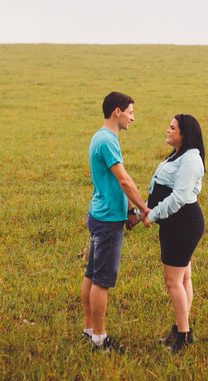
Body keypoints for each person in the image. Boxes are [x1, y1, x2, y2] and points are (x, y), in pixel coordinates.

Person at [80, 91, 151, 352]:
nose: (133, 118)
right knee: (102, 280)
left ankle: (89, 330)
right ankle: (99, 338)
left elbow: (114, 182)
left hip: (101, 213)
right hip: (108, 220)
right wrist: (144, 209)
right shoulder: (108, 141)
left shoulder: (102, 137)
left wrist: (130, 210)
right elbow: (124, 180)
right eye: (130, 112)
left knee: (91, 273)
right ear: (117, 112)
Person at [142, 113, 206, 352]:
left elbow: (178, 198)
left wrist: (151, 214)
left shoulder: (190, 159)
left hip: (182, 223)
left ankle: (183, 336)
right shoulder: (180, 155)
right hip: (175, 223)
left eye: (172, 128)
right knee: (183, 278)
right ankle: (182, 327)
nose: (167, 131)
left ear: (184, 133)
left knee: (173, 281)